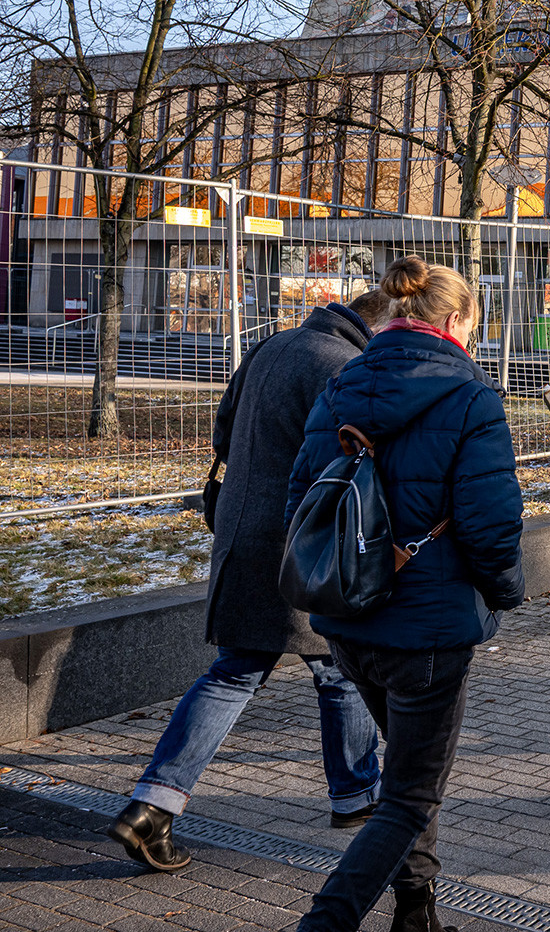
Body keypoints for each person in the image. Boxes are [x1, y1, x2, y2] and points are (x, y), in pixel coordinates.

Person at [108, 293, 390, 874]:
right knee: (335, 667)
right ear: (379, 325)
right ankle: (356, 795)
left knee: (241, 672)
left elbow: (223, 433)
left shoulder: (271, 346)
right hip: (304, 540)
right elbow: (349, 461)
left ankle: (154, 805)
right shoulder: (345, 365)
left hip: (242, 530)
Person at [287, 257, 525, 932]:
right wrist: (505, 592)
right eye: (472, 325)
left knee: (409, 776)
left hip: (348, 618)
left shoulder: (339, 387)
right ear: (453, 320)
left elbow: (300, 500)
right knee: (411, 798)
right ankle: (325, 922)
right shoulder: (471, 397)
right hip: (428, 631)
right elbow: (491, 525)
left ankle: (416, 911)